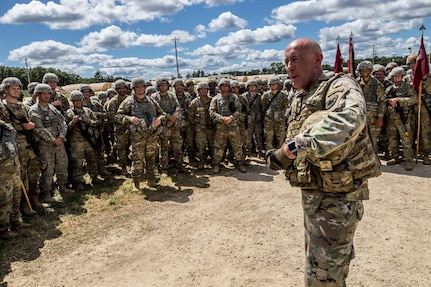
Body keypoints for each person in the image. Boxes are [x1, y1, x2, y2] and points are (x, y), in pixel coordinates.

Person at [266, 38, 381, 286]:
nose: (289, 67)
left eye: (295, 60)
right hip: (315, 195)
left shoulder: (339, 86)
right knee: (318, 268)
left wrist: (293, 149)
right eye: (286, 62)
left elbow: (349, 120)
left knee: (324, 277)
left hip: (337, 200)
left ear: (318, 59)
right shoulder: (301, 94)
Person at [116, 77, 166, 190]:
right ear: (133, 89)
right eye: (137, 87)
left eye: (142, 87)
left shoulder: (151, 101)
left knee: (151, 158)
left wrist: (160, 120)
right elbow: (118, 116)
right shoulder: (128, 102)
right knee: (137, 160)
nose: (140, 89)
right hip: (137, 137)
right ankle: (136, 184)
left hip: (152, 136)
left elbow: (162, 114)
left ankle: (151, 181)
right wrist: (130, 118)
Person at [2, 77, 41, 216]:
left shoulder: (23, 107)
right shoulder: (3, 108)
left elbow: (33, 122)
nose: (17, 90)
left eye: (19, 88)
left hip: (29, 146)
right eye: (14, 88)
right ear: (6, 90)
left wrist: (32, 125)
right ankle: (23, 208)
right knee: (20, 180)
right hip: (14, 149)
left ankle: (34, 201)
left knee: (33, 175)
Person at [29, 83, 74, 203]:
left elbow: (63, 123)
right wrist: (53, 140)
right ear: (38, 95)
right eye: (43, 93)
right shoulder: (34, 110)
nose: (46, 95)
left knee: (62, 165)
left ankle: (63, 187)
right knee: (47, 169)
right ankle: (46, 193)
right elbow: (38, 129)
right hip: (45, 145)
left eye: (48, 93)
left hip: (59, 143)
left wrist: (61, 137)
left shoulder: (53, 109)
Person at [65, 91, 103, 191]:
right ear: (72, 101)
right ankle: (79, 181)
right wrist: (72, 122)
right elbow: (65, 129)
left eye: (80, 100)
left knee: (92, 159)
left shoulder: (88, 111)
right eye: (76, 101)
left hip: (89, 139)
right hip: (76, 142)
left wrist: (88, 121)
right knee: (77, 162)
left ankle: (94, 177)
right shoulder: (69, 113)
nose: (78, 102)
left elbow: (96, 123)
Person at [209, 78, 246, 174]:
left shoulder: (233, 97)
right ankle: (216, 164)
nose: (224, 88)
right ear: (219, 87)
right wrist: (222, 119)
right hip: (221, 126)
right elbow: (212, 112)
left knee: (237, 145)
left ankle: (240, 163)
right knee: (218, 146)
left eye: (226, 86)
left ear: (229, 87)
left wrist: (231, 118)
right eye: (222, 86)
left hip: (233, 125)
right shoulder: (215, 99)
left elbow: (239, 110)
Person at [152, 77, 188, 173]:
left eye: (165, 85)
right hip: (163, 126)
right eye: (161, 85)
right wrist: (168, 117)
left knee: (177, 146)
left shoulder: (172, 96)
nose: (164, 87)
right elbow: (155, 111)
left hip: (174, 125)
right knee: (164, 148)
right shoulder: (154, 97)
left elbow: (178, 107)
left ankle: (179, 164)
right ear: (158, 86)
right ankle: (164, 168)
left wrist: (173, 119)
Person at [385, 67, 417, 170]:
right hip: (392, 118)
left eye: (399, 76)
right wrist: (389, 101)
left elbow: (414, 99)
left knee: (406, 139)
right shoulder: (389, 89)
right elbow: (383, 99)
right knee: (392, 137)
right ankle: (395, 157)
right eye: (395, 77)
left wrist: (399, 100)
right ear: (392, 78)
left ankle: (408, 160)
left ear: (402, 77)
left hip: (405, 117)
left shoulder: (408, 87)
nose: (397, 79)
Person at [0, 101, 22, 239]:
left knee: (16, 194)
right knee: (5, 200)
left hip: (13, 166)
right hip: (3, 171)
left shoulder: (5, 126)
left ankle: (15, 221)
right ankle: (3, 229)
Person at [356, 61, 386, 152]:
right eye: (362, 70)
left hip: (373, 117)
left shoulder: (376, 84)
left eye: (367, 70)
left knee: (373, 139)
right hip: (359, 116)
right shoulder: (356, 83)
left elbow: (382, 101)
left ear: (370, 70)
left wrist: (380, 117)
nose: (364, 72)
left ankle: (375, 159)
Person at [104, 79, 131, 176]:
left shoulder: (130, 99)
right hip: (120, 130)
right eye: (119, 88)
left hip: (133, 128)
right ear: (116, 90)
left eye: (123, 88)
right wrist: (127, 119)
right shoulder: (113, 102)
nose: (121, 90)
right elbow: (112, 118)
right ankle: (123, 168)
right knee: (121, 149)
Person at [188, 81, 215, 170]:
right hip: (200, 128)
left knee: (213, 145)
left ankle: (214, 162)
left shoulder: (212, 100)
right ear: (198, 91)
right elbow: (191, 117)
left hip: (211, 128)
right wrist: (197, 126)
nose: (203, 91)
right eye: (201, 89)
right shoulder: (194, 103)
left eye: (205, 89)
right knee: (200, 146)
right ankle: (201, 161)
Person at [261, 76, 289, 151]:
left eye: (275, 84)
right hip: (269, 120)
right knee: (269, 138)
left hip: (280, 120)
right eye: (271, 84)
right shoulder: (265, 95)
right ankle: (270, 155)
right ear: (269, 85)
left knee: (280, 139)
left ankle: (280, 156)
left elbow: (286, 106)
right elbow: (263, 107)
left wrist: (283, 115)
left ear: (278, 85)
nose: (273, 86)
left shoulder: (283, 95)